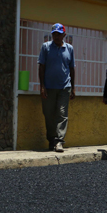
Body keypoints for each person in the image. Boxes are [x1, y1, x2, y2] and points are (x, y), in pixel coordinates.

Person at [38, 23, 75, 152]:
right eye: (54, 34)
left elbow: (72, 68)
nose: (56, 36)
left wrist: (73, 88)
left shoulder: (69, 49)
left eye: (59, 34)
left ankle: (59, 141)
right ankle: (52, 139)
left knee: (62, 114)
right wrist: (42, 86)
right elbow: (41, 66)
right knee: (48, 114)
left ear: (64, 35)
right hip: (49, 87)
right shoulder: (46, 47)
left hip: (65, 87)